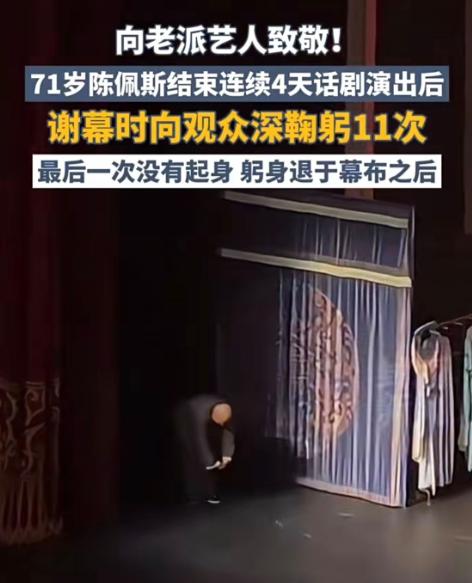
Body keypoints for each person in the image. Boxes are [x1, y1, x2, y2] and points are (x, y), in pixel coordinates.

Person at [174, 394, 235, 505]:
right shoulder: (196, 413)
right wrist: (209, 461)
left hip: (206, 414)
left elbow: (228, 434)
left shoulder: (225, 410)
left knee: (208, 460)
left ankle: (209, 493)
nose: (221, 424)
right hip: (185, 415)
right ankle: (194, 495)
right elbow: (199, 440)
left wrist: (227, 456)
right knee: (191, 455)